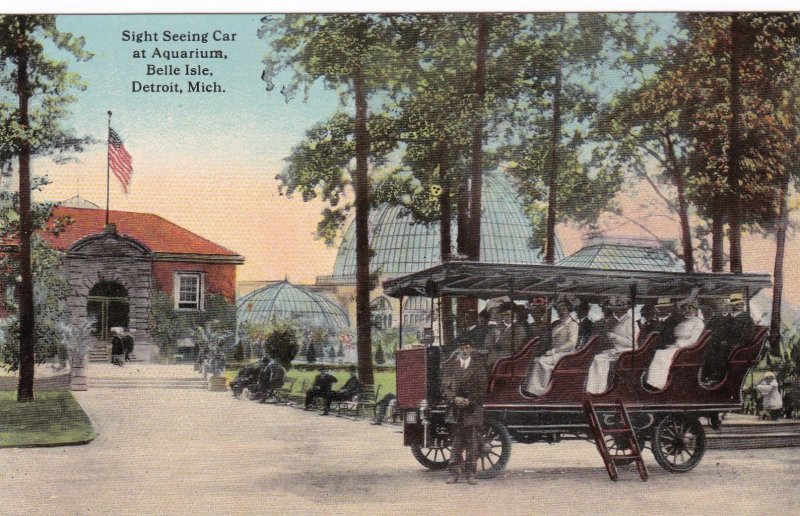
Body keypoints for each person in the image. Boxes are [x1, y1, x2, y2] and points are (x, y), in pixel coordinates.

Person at [441, 338, 487, 485]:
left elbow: (482, 389)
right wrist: (454, 399)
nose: (465, 351)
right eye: (462, 348)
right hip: (456, 411)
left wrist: (469, 401)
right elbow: (444, 388)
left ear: (471, 349)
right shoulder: (451, 366)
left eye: (467, 348)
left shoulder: (478, 367)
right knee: (456, 443)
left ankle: (470, 474)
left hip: (472, 410)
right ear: (458, 350)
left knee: (472, 443)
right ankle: (454, 474)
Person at [645, 301, 705, 390]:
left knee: (661, 355)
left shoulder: (698, 322)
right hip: (677, 345)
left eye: (689, 308)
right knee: (659, 352)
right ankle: (654, 383)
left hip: (686, 348)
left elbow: (693, 340)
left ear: (695, 309)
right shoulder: (684, 320)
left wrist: (677, 344)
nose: (687, 310)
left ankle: (658, 385)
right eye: (684, 309)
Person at [524, 300, 578, 396]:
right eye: (559, 310)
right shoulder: (557, 324)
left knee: (542, 361)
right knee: (535, 359)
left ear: (569, 310)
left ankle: (539, 391)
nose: (561, 312)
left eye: (563, 309)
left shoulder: (573, 325)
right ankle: (531, 388)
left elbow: (571, 343)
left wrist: (554, 351)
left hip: (566, 353)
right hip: (554, 352)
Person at [586, 298, 638, 394]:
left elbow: (633, 343)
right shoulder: (619, 321)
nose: (615, 311)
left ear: (625, 309)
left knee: (599, 359)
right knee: (596, 358)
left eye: (618, 308)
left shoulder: (630, 322)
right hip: (616, 351)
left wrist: (615, 337)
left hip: (626, 352)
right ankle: (594, 389)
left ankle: (600, 390)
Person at [700, 298, 733, 384]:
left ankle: (716, 377)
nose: (724, 307)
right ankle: (703, 377)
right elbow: (706, 329)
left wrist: (725, 340)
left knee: (718, 354)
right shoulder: (715, 318)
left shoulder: (732, 319)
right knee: (706, 352)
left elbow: (733, 333)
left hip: (726, 343)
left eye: (727, 306)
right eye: (722, 305)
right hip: (714, 341)